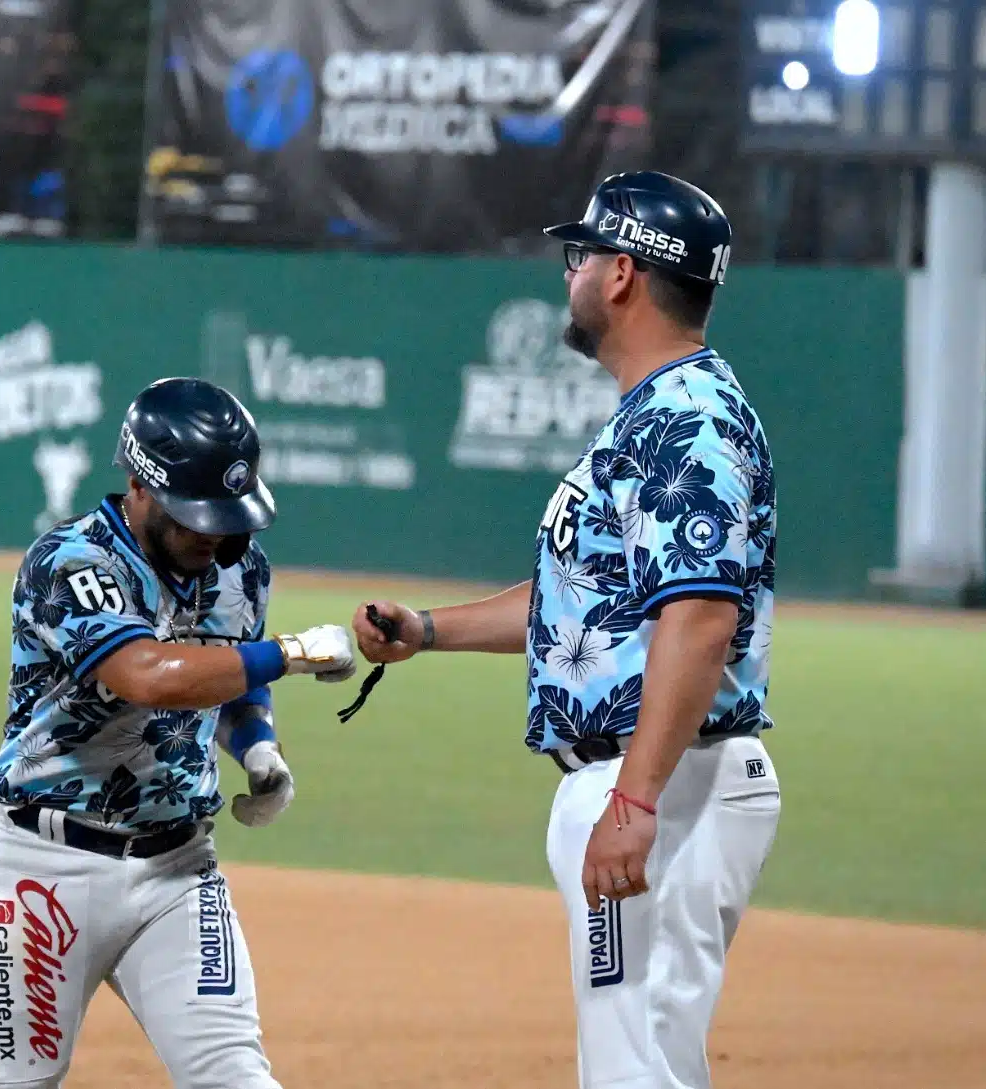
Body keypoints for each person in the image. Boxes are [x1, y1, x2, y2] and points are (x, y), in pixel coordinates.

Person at [353, 171, 780, 1089]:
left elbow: (699, 622)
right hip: (662, 780)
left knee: (631, 1071)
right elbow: (585, 608)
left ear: (622, 274)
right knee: (647, 1063)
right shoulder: (655, 413)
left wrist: (633, 800)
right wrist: (427, 630)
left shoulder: (688, 422)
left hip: (664, 781)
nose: (569, 272)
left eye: (580, 254)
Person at [0, 376, 355, 1089]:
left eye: (225, 516)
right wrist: (295, 650)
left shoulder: (238, 563)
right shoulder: (71, 563)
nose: (212, 535)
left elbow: (228, 676)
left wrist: (259, 747)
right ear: (138, 484)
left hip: (178, 869)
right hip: (42, 866)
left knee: (237, 1077)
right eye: (195, 516)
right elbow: (149, 674)